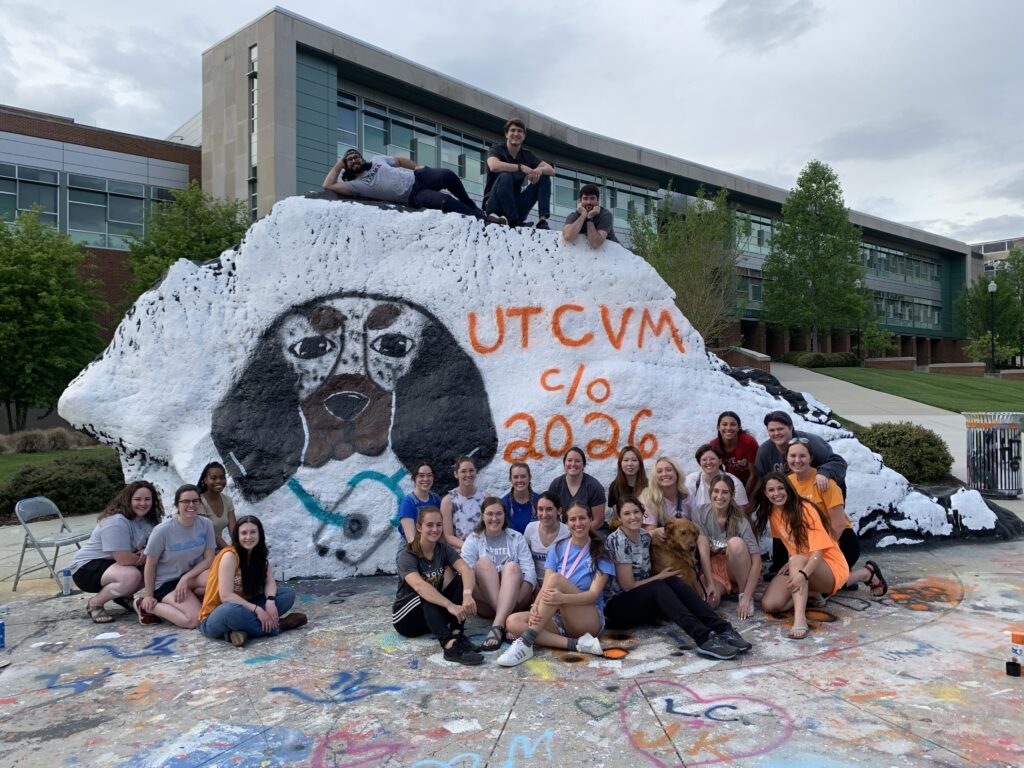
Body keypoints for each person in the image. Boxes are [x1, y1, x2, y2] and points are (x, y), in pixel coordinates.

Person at [604, 497, 751, 659]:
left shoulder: (643, 536)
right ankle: (704, 637)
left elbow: (659, 533)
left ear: (643, 514)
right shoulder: (618, 541)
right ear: (619, 518)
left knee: (673, 580)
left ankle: (723, 629)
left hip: (641, 602)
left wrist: (658, 531)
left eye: (636, 512)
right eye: (627, 513)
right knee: (659, 584)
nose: (632, 517)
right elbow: (628, 586)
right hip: (619, 609)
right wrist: (659, 577)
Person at [497, 502, 614, 667]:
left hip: (587, 617)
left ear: (590, 520)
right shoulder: (558, 548)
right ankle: (576, 644)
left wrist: (562, 598)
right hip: (558, 616)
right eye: (573, 519)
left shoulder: (600, 551)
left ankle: (525, 643)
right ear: (566, 522)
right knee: (512, 622)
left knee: (557, 580)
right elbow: (546, 586)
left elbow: (592, 596)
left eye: (582, 518)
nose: (578, 523)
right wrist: (536, 606)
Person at [754, 473, 850, 639]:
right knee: (770, 604)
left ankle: (800, 619)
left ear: (788, 489)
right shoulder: (774, 513)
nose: (776, 493)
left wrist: (802, 573)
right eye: (771, 490)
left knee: (796, 560)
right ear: (765, 493)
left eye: (780, 488)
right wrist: (790, 567)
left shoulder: (805, 509)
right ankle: (812, 593)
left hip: (829, 567)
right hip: (801, 563)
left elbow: (819, 551)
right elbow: (789, 544)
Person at [786, 440, 887, 596]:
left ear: (811, 458)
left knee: (819, 588)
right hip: (812, 543)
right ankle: (845, 579)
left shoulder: (824, 483)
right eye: (792, 455)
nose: (797, 460)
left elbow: (838, 525)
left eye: (802, 456)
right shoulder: (788, 483)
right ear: (786, 458)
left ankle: (866, 573)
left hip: (840, 541)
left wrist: (818, 554)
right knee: (801, 581)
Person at [392, 506, 482, 665]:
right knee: (426, 591)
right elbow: (419, 586)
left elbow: (465, 569)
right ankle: (449, 646)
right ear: (419, 527)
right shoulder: (407, 555)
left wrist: (467, 594)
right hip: (406, 620)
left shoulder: (443, 549)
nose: (435, 529)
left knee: (462, 579)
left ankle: (457, 635)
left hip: (432, 617)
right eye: (430, 525)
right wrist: (449, 605)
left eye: (439, 525)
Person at [197, 515, 307, 646]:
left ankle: (241, 631)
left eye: (253, 532)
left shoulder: (258, 555)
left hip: (245, 606)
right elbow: (225, 596)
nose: (248, 537)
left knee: (287, 594)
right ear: (237, 536)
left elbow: (269, 582)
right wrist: (258, 610)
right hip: (216, 615)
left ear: (259, 534)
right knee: (230, 611)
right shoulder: (230, 556)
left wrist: (270, 602)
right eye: (244, 533)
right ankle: (278, 627)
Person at [323, 149, 502, 223]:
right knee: (445, 201)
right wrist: (339, 163)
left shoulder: (378, 160)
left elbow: (399, 160)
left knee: (447, 175)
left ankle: (474, 208)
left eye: (356, 156)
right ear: (346, 165)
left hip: (418, 178)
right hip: (412, 197)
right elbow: (328, 185)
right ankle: (483, 219)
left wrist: (416, 166)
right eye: (350, 160)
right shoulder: (355, 185)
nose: (355, 160)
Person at [71, 481, 163, 623]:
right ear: (128, 500)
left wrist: (146, 550)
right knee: (133, 575)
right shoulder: (116, 521)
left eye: (147, 499)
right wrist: (149, 557)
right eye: (137, 499)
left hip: (114, 565)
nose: (143, 503)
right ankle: (95, 603)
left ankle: (122, 595)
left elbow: (156, 544)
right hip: (87, 568)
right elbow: (124, 559)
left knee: (156, 568)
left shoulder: (150, 519)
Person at [460, 497, 537, 651]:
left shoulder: (516, 537)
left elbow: (530, 572)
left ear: (504, 515)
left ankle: (497, 625)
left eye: (498, 514)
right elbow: (464, 571)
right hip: (486, 603)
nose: (494, 518)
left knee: (512, 567)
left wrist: (516, 597)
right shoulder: (473, 539)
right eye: (489, 514)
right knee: (483, 563)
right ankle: (504, 621)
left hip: (517, 600)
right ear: (482, 516)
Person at [137, 484, 215, 629]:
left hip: (189, 577)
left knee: (217, 580)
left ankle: (191, 595)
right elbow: (150, 564)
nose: (191, 505)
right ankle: (145, 605)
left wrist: (185, 579)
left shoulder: (206, 524)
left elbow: (209, 559)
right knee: (194, 621)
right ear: (176, 504)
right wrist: (149, 595)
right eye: (185, 501)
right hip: (166, 582)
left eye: (195, 501)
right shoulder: (162, 531)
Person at [692, 476, 762, 619]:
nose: (719, 496)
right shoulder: (700, 512)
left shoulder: (740, 519)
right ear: (710, 493)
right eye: (716, 491)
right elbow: (703, 548)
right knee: (708, 603)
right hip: (713, 571)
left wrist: (747, 596)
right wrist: (710, 582)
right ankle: (721, 589)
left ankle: (742, 593)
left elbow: (757, 561)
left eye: (725, 492)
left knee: (735, 543)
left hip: (735, 568)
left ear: (731, 495)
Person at [752, 411, 848, 496]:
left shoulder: (811, 443)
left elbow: (839, 463)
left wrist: (824, 472)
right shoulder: (764, 452)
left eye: (780, 429)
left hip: (820, 492)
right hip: (788, 497)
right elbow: (761, 481)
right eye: (772, 430)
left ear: (791, 428)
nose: (776, 433)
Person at [483, 118, 554, 229]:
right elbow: (493, 166)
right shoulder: (496, 149)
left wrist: (538, 171)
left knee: (544, 177)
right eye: (513, 130)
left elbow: (551, 170)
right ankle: (513, 221)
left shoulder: (527, 155)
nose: (516, 134)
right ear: (506, 134)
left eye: (520, 131)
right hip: (495, 206)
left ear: (524, 136)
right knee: (505, 176)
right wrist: (520, 167)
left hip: (516, 207)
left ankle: (542, 221)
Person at [547, 446, 607, 534]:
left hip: (592, 531)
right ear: (564, 464)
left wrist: (578, 535)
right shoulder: (556, 485)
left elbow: (598, 521)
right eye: (569, 460)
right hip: (566, 531)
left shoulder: (594, 487)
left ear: (583, 465)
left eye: (577, 461)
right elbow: (552, 514)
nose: (573, 464)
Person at [685, 443, 750, 512]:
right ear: (699, 463)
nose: (708, 462)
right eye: (704, 460)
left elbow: (741, 512)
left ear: (720, 461)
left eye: (712, 459)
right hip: (697, 522)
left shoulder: (735, 483)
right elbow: (685, 506)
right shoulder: (692, 480)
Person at [440, 456, 488, 549]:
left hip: (483, 548)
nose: (468, 474)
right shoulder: (448, 501)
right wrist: (468, 547)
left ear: (476, 472)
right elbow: (448, 536)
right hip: (459, 551)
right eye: (463, 471)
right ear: (456, 474)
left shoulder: (485, 497)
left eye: (471, 470)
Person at [522, 491, 570, 584]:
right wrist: (532, 583)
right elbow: (525, 561)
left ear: (559, 510)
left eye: (549, 509)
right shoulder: (530, 528)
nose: (544, 514)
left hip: (558, 584)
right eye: (540, 509)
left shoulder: (567, 532)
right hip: (532, 582)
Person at [639, 456, 691, 539]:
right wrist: (656, 532)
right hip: (662, 545)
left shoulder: (687, 494)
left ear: (676, 473)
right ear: (655, 476)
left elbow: (697, 524)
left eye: (669, 470)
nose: (664, 474)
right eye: (659, 471)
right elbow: (648, 533)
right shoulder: (648, 498)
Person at [710, 411, 759, 493]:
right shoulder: (714, 444)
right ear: (718, 427)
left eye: (733, 424)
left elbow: (753, 474)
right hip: (732, 480)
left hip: (751, 480)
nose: (728, 428)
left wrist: (744, 498)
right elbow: (716, 471)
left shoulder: (749, 442)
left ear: (738, 427)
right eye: (724, 424)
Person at [561, 183, 618, 248]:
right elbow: (568, 237)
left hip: (612, 253)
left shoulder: (605, 215)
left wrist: (589, 218)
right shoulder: (574, 215)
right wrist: (583, 215)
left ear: (598, 200)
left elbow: (595, 244)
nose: (588, 202)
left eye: (592, 198)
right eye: (585, 198)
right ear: (580, 200)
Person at [398, 461, 442, 544]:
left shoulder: (436, 499)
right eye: (421, 476)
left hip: (433, 547)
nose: (426, 479)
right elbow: (411, 539)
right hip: (412, 550)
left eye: (429, 475)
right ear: (414, 478)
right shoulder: (408, 503)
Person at [197, 461, 236, 550]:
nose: (219, 481)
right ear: (205, 480)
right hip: (200, 551)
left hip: (217, 549)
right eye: (213, 478)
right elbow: (210, 534)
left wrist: (239, 549)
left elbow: (234, 532)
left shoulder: (227, 500)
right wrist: (230, 551)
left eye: (222, 477)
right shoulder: (198, 502)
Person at [607, 445, 648, 516]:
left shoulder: (649, 485)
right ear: (620, 464)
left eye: (634, 460)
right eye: (626, 460)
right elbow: (618, 515)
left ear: (640, 465)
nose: (630, 464)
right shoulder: (615, 487)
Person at [502, 462, 539, 534]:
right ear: (510, 479)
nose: (519, 480)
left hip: (536, 544)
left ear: (529, 477)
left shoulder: (539, 501)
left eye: (523, 476)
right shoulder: (503, 503)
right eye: (515, 477)